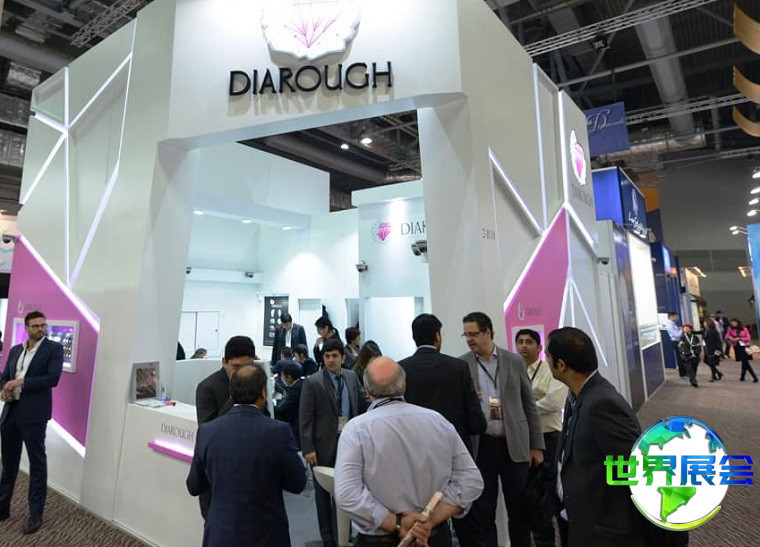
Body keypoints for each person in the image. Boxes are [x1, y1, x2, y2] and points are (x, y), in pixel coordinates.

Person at [334, 357, 484, 547]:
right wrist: (427, 521)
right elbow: (471, 480)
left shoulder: (356, 429)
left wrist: (397, 523)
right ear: (404, 384)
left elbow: (347, 494)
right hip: (433, 536)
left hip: (380, 539)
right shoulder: (437, 421)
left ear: (366, 388)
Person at [548, 327, 661, 547]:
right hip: (580, 519)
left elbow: (638, 469)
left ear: (561, 365)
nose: (546, 361)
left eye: (548, 357)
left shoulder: (602, 404)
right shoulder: (577, 396)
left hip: (605, 531)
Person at [187, 364, 307, 547]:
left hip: (220, 534)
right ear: (263, 393)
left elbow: (194, 485)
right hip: (266, 534)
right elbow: (297, 483)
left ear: (232, 392)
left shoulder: (207, 431)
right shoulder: (278, 432)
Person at [457, 312, 544, 547]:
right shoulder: (462, 365)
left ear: (488, 332)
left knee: (519, 509)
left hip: (514, 444)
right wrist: (469, 400)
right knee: (484, 511)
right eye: (466, 335)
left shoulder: (513, 361)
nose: (469, 339)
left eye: (473, 334)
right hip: (482, 446)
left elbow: (529, 404)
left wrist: (536, 445)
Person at [299, 338, 370, 547]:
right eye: (327, 356)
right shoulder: (313, 382)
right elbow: (305, 418)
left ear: (342, 357)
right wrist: (308, 448)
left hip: (350, 443)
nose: (330, 360)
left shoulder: (351, 377)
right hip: (322, 446)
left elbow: (363, 402)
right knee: (323, 494)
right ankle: (328, 537)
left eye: (334, 356)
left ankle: (344, 534)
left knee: (348, 489)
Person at [0, 311, 64, 534]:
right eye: (35, 326)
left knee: (37, 465)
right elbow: (4, 376)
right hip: (11, 411)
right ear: (26, 328)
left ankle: (35, 514)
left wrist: (21, 382)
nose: (40, 329)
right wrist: (3, 389)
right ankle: (3, 507)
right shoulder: (15, 350)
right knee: (8, 463)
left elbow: (52, 379)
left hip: (34, 415)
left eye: (43, 325)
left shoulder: (53, 349)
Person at [398, 313, 486, 454]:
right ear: (437, 336)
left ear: (414, 338)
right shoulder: (459, 367)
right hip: (455, 449)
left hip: (417, 449)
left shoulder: (401, 369)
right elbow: (475, 422)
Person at [514, 328, 567, 547]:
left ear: (539, 347)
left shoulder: (549, 370)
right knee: (533, 496)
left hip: (550, 439)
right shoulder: (513, 371)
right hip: (525, 441)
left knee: (555, 492)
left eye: (529, 342)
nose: (524, 346)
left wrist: (521, 408)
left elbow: (554, 402)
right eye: (520, 342)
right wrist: (535, 400)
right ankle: (543, 540)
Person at [194, 335, 257, 518]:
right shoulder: (207, 387)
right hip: (218, 479)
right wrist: (237, 396)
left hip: (249, 473)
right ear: (224, 362)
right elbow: (208, 431)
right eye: (236, 367)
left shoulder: (256, 382)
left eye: (247, 366)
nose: (242, 372)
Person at [274, 362, 304, 448]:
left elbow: (281, 409)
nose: (282, 379)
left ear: (289, 377)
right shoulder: (301, 383)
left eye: (283, 377)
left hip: (296, 426)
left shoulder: (295, 390)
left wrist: (270, 406)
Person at [725, 318, 758, 382]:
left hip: (745, 346)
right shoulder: (730, 329)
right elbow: (726, 336)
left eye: (734, 322)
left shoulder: (744, 329)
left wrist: (740, 338)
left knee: (745, 362)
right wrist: (731, 338)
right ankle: (742, 377)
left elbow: (748, 337)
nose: (733, 324)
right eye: (732, 323)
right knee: (744, 362)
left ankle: (754, 377)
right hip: (737, 347)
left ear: (738, 322)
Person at [677, 323, 702, 388]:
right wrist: (689, 354)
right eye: (684, 328)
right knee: (689, 369)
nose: (685, 329)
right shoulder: (682, 338)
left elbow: (698, 346)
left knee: (694, 368)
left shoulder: (695, 337)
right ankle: (694, 381)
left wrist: (695, 353)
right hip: (686, 357)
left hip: (695, 356)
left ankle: (692, 380)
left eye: (686, 328)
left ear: (690, 329)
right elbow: (681, 347)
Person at [664, 312, 685, 377]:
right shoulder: (670, 325)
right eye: (676, 317)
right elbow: (677, 335)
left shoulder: (673, 324)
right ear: (671, 317)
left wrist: (679, 329)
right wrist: (681, 330)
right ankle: (682, 373)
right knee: (680, 357)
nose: (677, 318)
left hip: (678, 341)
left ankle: (684, 371)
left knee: (682, 357)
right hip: (676, 342)